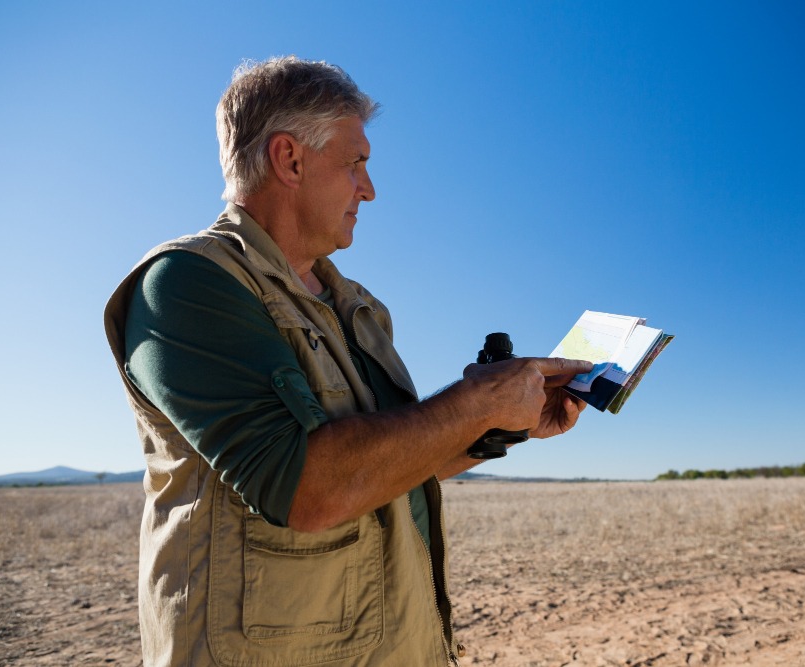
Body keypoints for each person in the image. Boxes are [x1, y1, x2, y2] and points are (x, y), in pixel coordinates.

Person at [104, 56, 591, 667]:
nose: (370, 187)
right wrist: (476, 401)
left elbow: (391, 465)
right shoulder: (187, 284)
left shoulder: (356, 306)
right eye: (355, 162)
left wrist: (500, 427)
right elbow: (307, 488)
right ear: (290, 158)